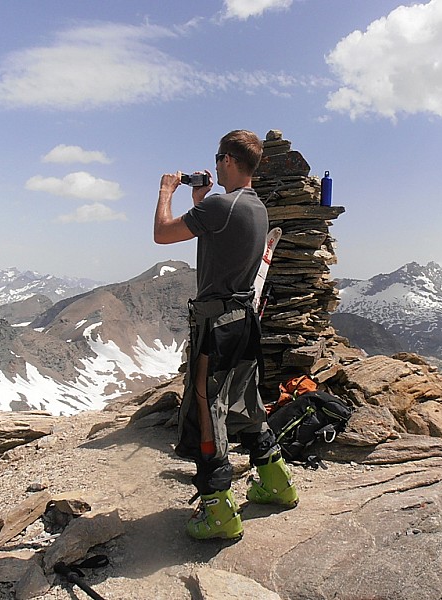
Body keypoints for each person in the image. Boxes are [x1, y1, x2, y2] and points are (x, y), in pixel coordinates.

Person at [154, 130, 299, 541]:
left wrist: (167, 191)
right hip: (244, 319)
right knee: (247, 399)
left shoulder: (223, 205)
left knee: (206, 408)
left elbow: (162, 233)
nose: (215, 165)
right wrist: (200, 203)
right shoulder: (255, 208)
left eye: (219, 158)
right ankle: (276, 480)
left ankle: (218, 508)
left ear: (230, 161)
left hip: (215, 324)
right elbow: (217, 234)